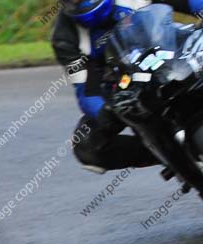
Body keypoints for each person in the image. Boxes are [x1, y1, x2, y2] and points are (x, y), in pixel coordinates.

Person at [52, 0, 203, 173]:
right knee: (87, 145)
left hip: (181, 58)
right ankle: (168, 155)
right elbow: (87, 90)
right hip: (128, 90)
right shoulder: (65, 38)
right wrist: (107, 111)